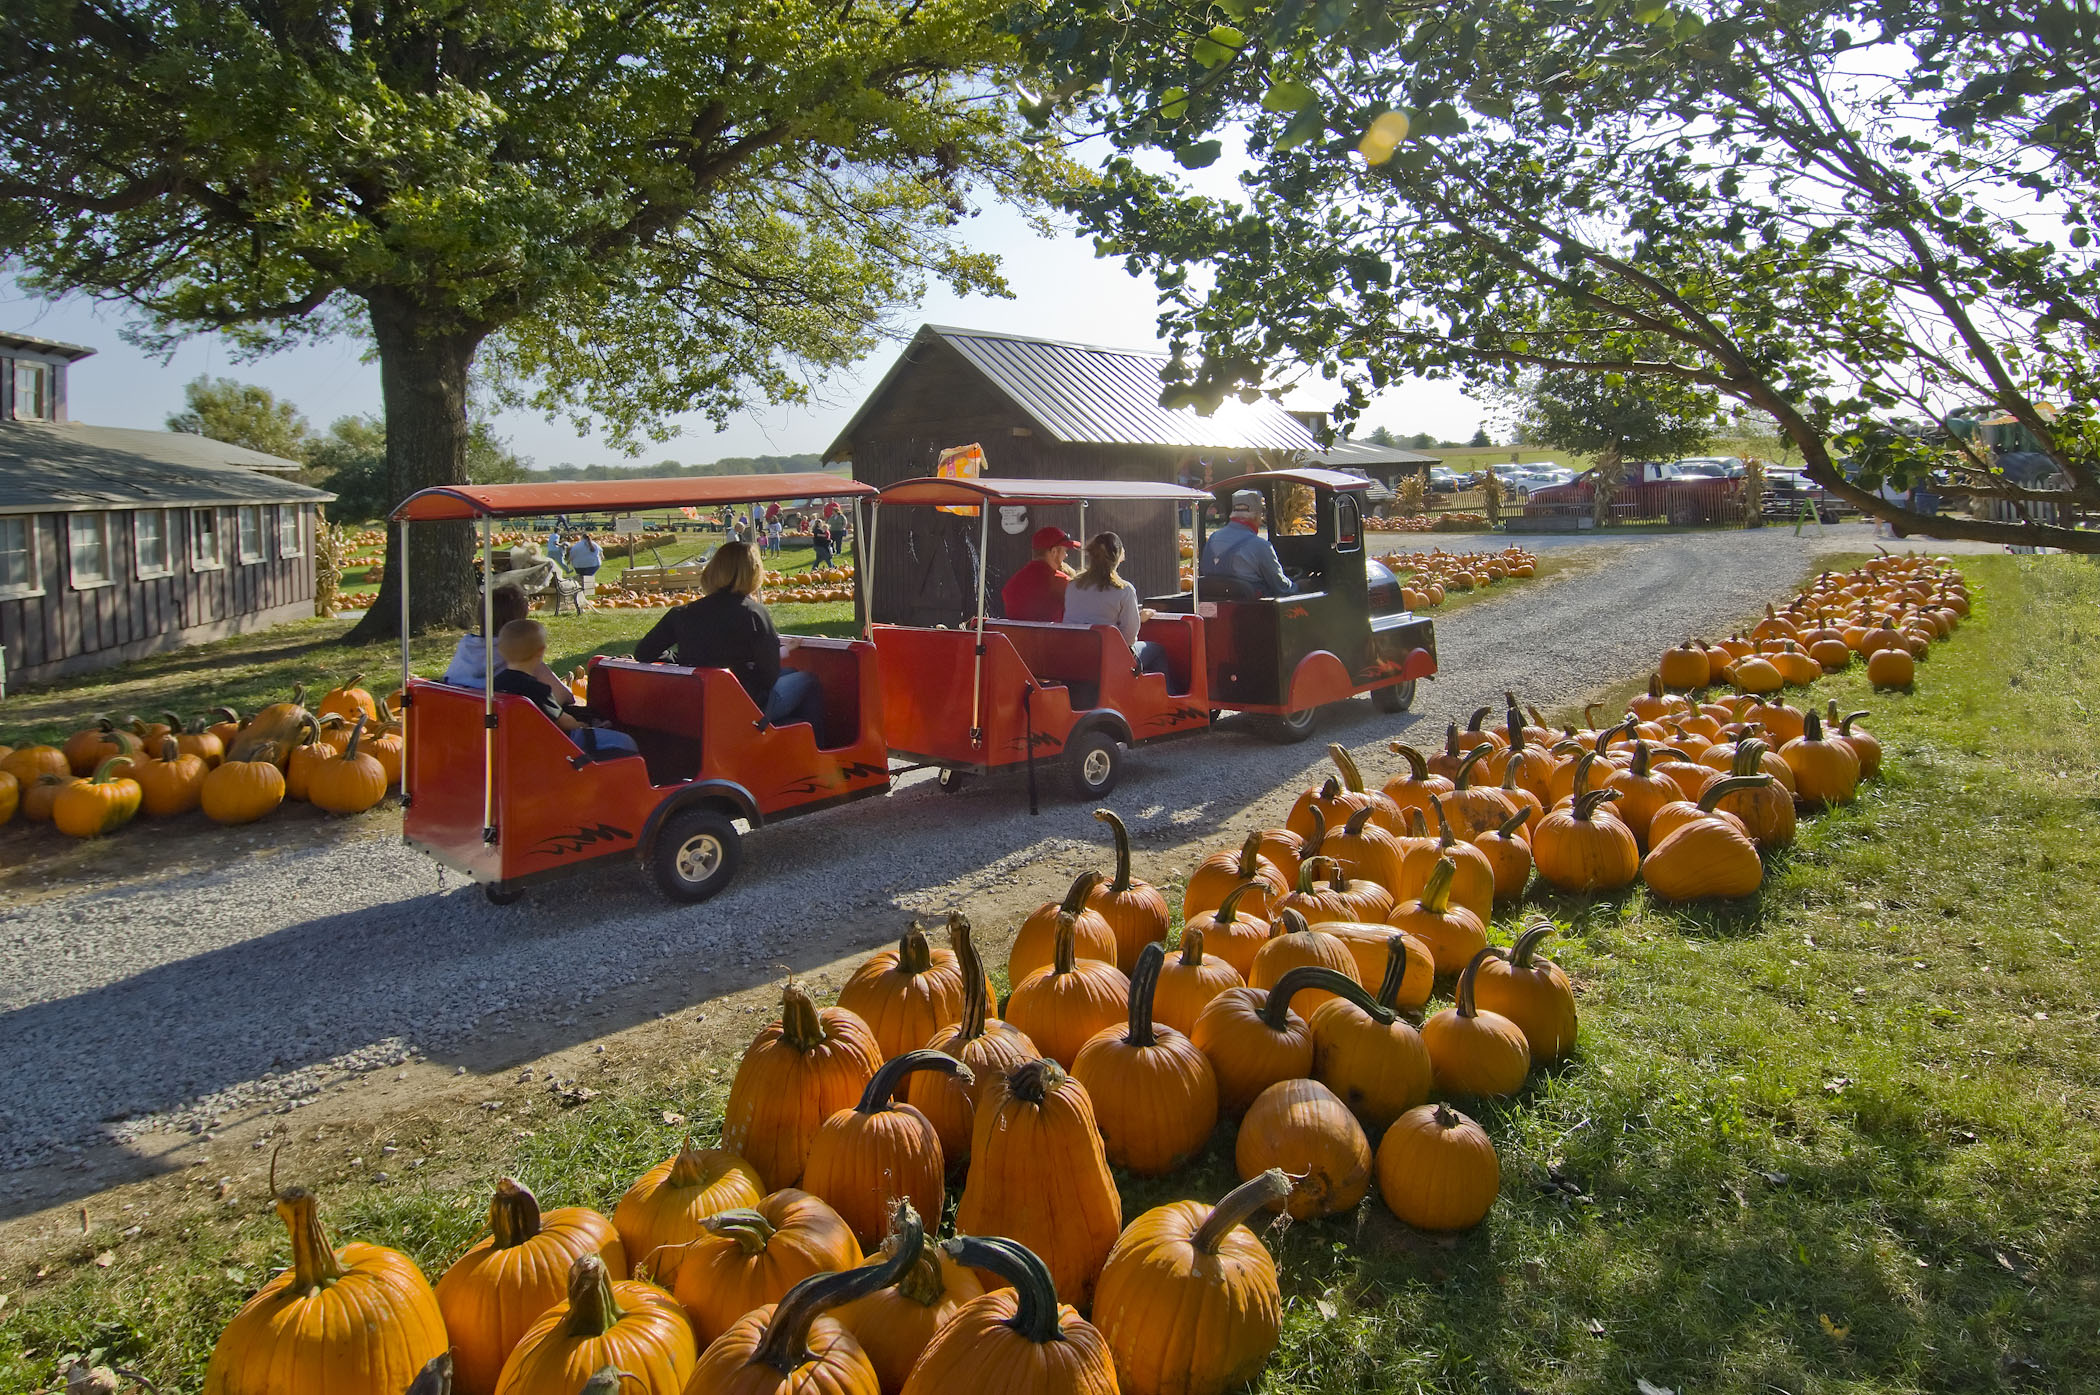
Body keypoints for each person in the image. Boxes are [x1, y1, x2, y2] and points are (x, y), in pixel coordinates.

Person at [632, 541, 826, 743]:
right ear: (754, 573)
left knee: (792, 673)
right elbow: (769, 674)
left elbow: (644, 652)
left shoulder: (682, 613)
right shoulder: (753, 613)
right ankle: (813, 751)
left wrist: (679, 659)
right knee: (808, 680)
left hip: (698, 701)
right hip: (745, 705)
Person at [493, 620, 637, 757]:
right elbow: (565, 722)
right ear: (541, 651)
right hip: (557, 744)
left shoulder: (495, 684)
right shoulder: (538, 690)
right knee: (625, 741)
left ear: (500, 650)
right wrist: (585, 725)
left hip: (523, 742)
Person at [1063, 532, 1170, 676]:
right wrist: (1139, 619)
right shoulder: (1124, 590)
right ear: (1120, 555)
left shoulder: (1073, 585)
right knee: (1157, 650)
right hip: (1108, 657)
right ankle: (1168, 695)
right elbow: (1129, 638)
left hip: (1075, 655)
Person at [1198, 490, 1293, 597]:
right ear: (1257, 516)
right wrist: (1299, 585)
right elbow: (1281, 587)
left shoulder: (1213, 538)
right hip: (1254, 609)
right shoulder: (1260, 546)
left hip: (1213, 600)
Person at [1001, 525, 1080, 621]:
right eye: (1065, 551)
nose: (1066, 555)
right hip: (1053, 635)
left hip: (1016, 636)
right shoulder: (1063, 583)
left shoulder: (1011, 584)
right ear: (1054, 551)